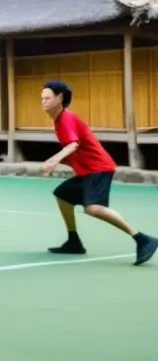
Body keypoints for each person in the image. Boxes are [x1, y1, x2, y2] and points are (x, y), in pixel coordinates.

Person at [41, 80, 157, 265]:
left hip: (98, 168)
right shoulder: (59, 120)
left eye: (47, 97)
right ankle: (74, 241)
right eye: (42, 98)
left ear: (60, 98)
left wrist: (54, 160)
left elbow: (73, 144)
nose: (43, 101)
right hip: (87, 171)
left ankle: (142, 239)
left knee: (93, 208)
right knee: (62, 194)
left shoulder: (66, 119)